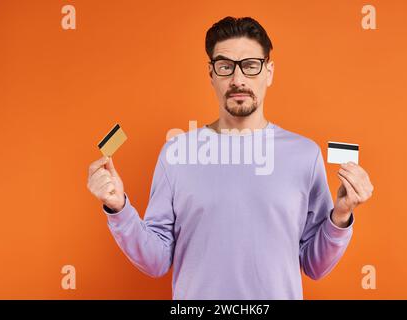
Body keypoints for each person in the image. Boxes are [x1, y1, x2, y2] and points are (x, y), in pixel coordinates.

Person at [87, 16, 374, 299]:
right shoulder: (176, 154)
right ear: (211, 74)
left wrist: (341, 215)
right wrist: (118, 209)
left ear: (269, 72)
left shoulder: (305, 154)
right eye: (225, 67)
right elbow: (156, 261)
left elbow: (314, 266)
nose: (238, 80)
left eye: (250, 66)